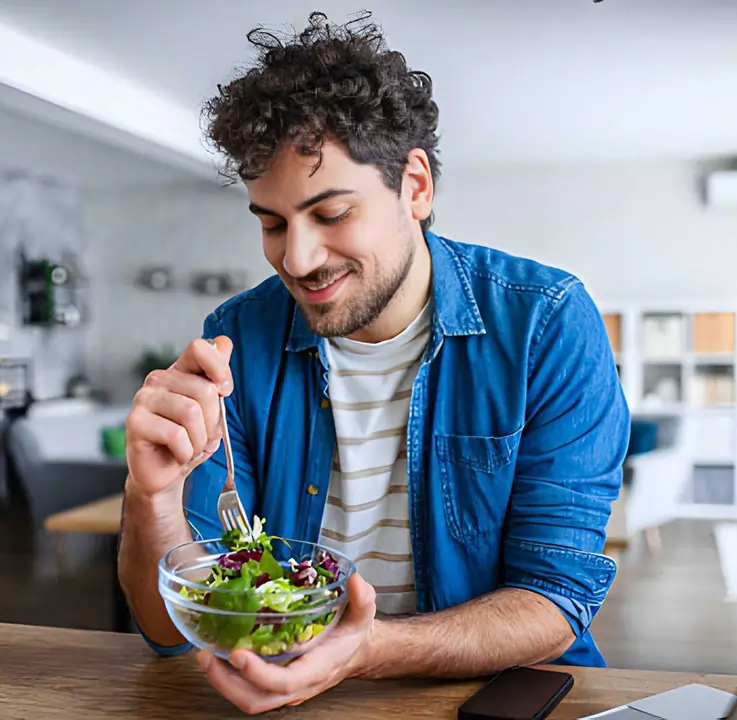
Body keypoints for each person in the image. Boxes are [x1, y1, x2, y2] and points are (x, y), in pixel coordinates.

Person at [117, 10, 630, 715]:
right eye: (271, 222)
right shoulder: (237, 336)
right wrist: (151, 497)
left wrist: (366, 649)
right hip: (287, 698)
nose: (296, 259)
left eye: (330, 215)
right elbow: (172, 629)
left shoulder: (547, 323)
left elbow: (555, 598)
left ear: (414, 187)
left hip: (495, 697)